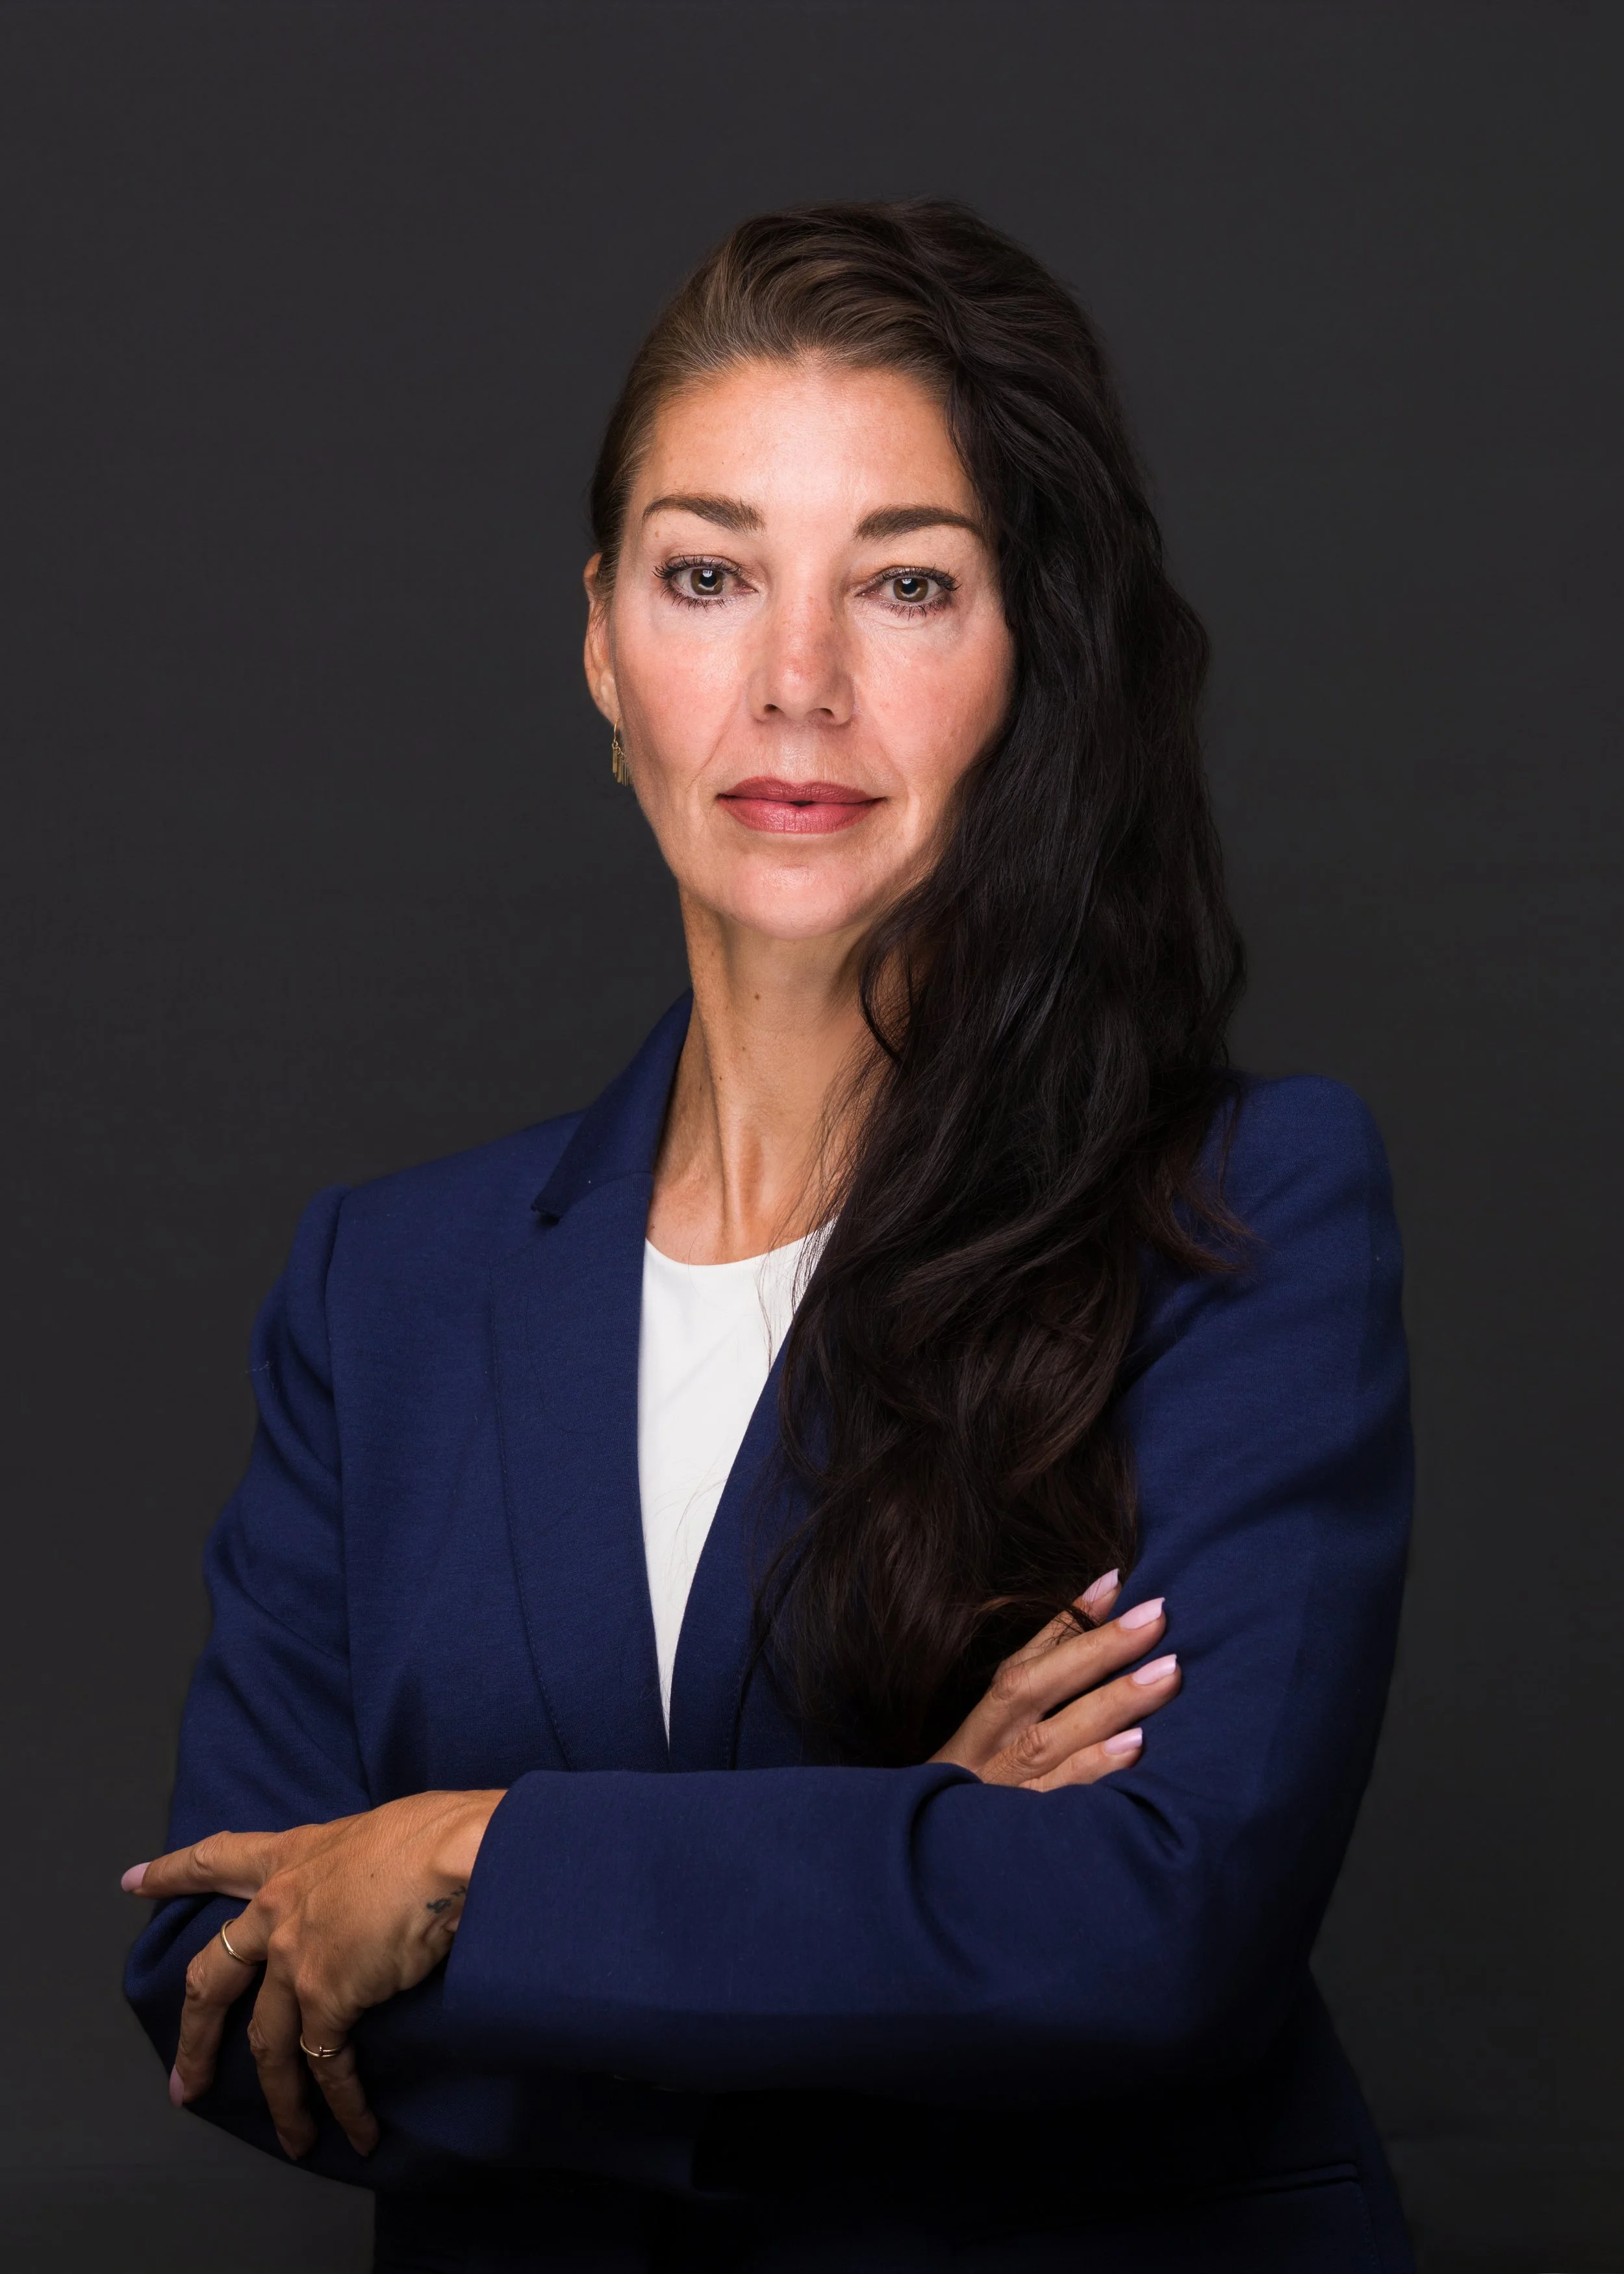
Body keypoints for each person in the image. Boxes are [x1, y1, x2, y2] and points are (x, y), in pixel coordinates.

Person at [123, 201, 1414, 2272]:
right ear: (600, 642)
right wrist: (909, 1871)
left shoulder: (1236, 1217)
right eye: (708, 574)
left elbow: (1150, 1931)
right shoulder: (388, 1284)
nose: (794, 684)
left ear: (1028, 655)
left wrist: (470, 1861)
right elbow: (215, 1956)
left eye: (905, 584)